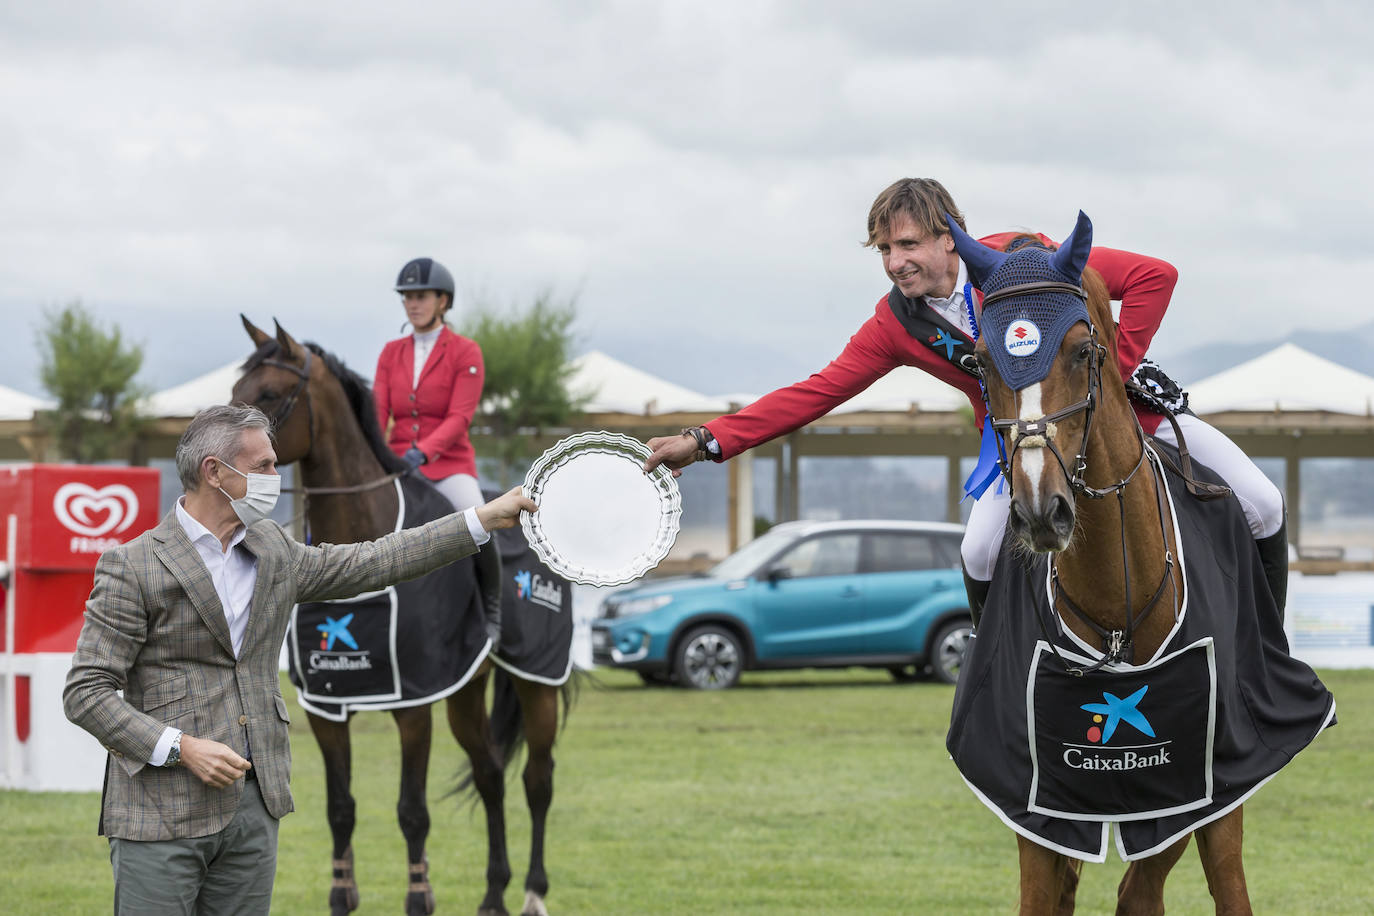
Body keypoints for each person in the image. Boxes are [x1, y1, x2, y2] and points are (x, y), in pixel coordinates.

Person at [644, 177, 1287, 622]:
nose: (896, 263)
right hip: (1017, 443)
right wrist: (705, 440)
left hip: (1128, 417)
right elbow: (817, 391)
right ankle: (991, 677)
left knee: (1263, 503)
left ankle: (1270, 649)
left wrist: (1109, 377)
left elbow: (1154, 276)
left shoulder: (1025, 256)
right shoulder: (894, 324)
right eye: (885, 250)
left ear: (950, 238)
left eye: (908, 244)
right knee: (977, 551)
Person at [63, 404, 537, 915]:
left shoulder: (274, 549)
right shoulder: (132, 564)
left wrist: (480, 519)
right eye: (264, 465)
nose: (277, 475)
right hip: (159, 814)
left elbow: (375, 560)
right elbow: (85, 692)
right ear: (214, 471)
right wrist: (179, 747)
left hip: (254, 810)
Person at [374, 256, 485, 513]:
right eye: (407, 297)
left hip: (448, 467)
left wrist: (423, 452)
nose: (412, 305)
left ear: (442, 301)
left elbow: (459, 418)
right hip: (396, 463)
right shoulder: (390, 353)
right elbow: (378, 412)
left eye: (421, 296)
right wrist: (377, 452)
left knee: (478, 519)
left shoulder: (466, 351)